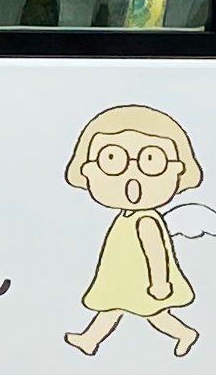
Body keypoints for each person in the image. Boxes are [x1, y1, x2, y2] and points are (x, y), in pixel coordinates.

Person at [65, 103, 208, 357]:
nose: (132, 176)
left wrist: (160, 282)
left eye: (151, 160)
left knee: (154, 314)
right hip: (123, 277)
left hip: (143, 280)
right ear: (87, 169)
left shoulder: (146, 220)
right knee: (113, 307)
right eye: (112, 159)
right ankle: (89, 339)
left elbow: (156, 252)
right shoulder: (126, 217)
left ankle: (185, 333)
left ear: (178, 169)